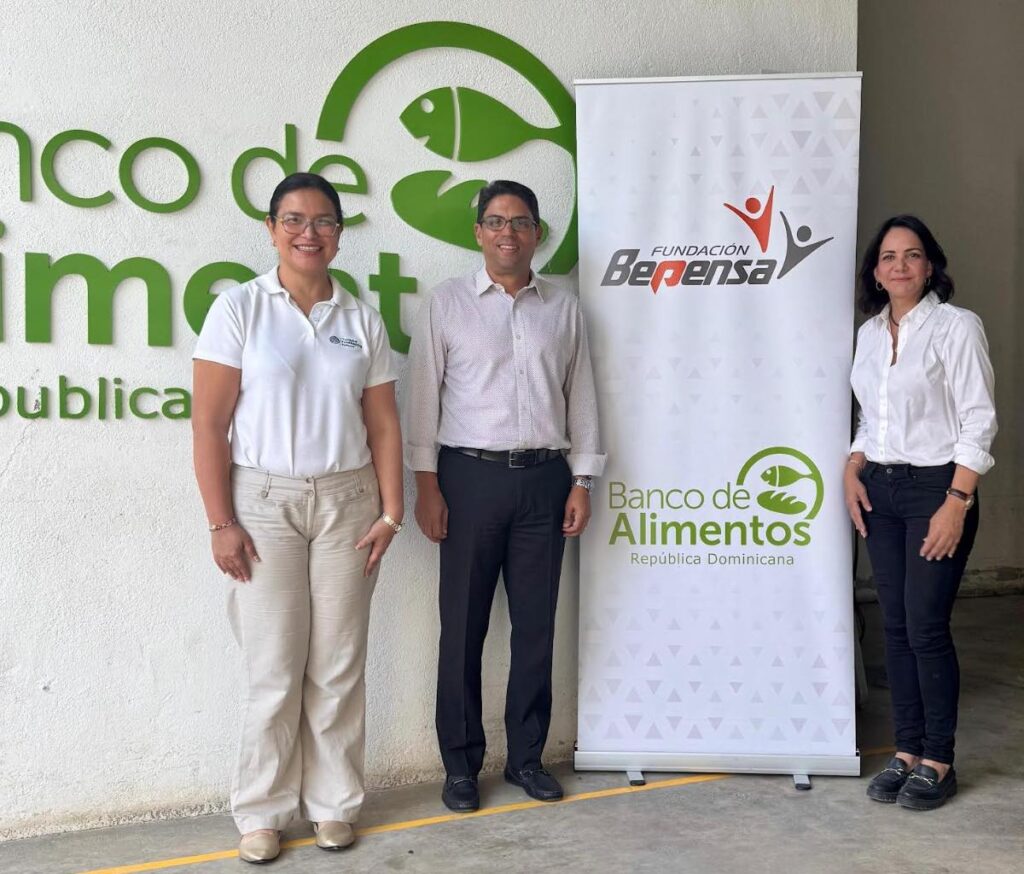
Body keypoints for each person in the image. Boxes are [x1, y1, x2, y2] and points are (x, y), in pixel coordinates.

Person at [192, 172, 403, 862]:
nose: (308, 233)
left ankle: (334, 805)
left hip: (350, 503)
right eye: (294, 220)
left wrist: (393, 511)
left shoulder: (360, 318)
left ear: (340, 233)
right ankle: (262, 811)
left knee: (338, 665)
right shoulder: (240, 309)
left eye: (323, 221)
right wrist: (220, 521)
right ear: (271, 228)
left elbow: (384, 424)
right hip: (263, 505)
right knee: (274, 667)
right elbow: (209, 424)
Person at [404, 180, 605, 811]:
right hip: (468, 479)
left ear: (537, 233)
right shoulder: (447, 303)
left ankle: (526, 759)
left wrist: (582, 480)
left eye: (519, 222)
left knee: (536, 628)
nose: (507, 233)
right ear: (478, 233)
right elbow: (422, 398)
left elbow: (581, 395)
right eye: (495, 221)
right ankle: (461, 767)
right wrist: (426, 485)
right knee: (462, 628)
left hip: (545, 481)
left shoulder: (563, 308)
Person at [845, 214, 996, 811]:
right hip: (880, 490)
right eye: (888, 257)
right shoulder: (869, 334)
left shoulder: (957, 327)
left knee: (926, 626)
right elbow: (871, 417)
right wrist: (853, 466)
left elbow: (978, 420)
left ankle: (939, 760)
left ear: (930, 266)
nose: (900, 265)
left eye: (912, 255)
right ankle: (906, 751)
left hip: (938, 488)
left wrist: (957, 502)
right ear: (876, 273)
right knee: (895, 626)